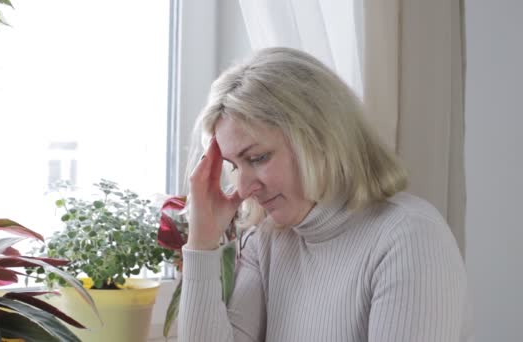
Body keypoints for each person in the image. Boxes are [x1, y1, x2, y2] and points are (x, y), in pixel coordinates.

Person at [179, 47, 473, 342]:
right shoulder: (267, 241)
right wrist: (202, 242)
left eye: (258, 158)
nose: (243, 189)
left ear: (318, 138)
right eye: (234, 165)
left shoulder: (410, 237)